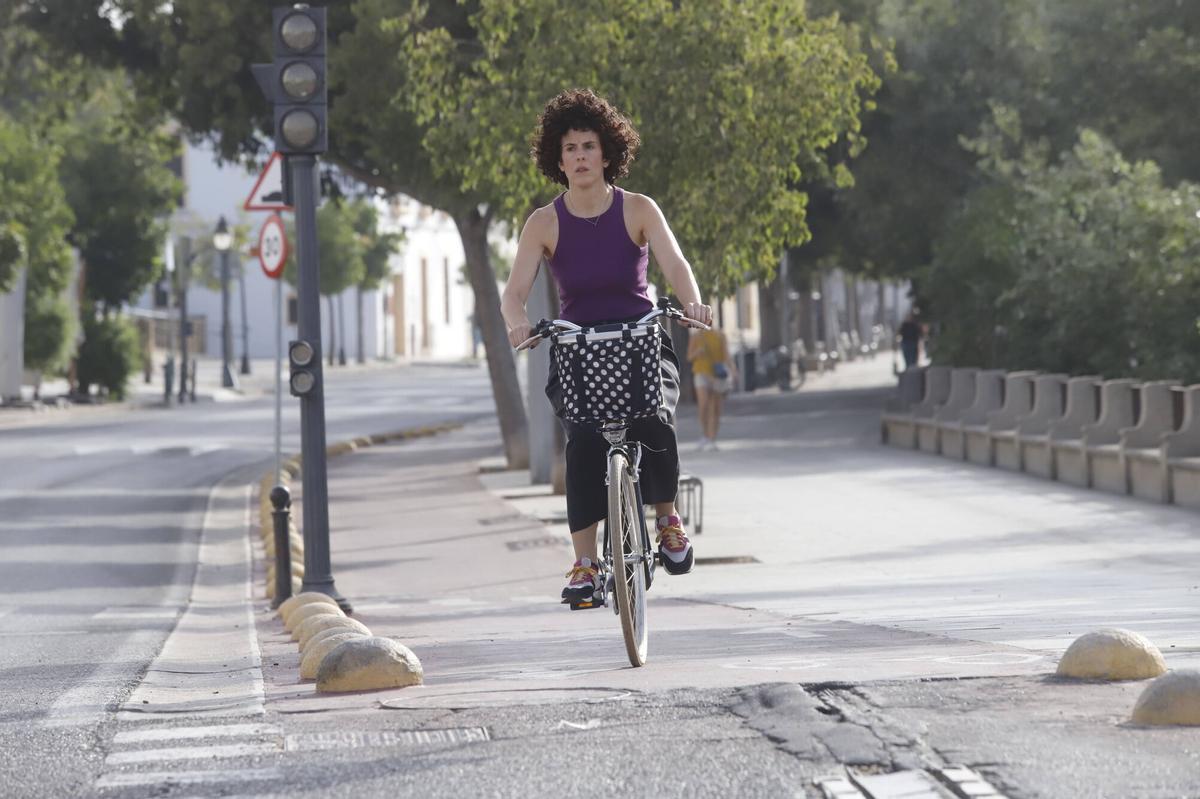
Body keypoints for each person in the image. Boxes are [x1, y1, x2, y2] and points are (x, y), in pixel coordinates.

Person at [500, 88, 713, 607]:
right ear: (558, 157)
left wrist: (694, 303)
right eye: (569, 148)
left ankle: (666, 520)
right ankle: (585, 562)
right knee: (584, 443)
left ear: (607, 152)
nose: (579, 157)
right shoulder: (543, 222)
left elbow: (676, 264)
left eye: (588, 146)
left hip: (639, 337)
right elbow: (514, 292)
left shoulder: (638, 209)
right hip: (579, 347)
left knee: (655, 419)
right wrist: (516, 323)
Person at [687, 326, 734, 450]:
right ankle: (705, 435)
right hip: (701, 373)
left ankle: (712, 438)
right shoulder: (696, 336)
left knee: (716, 408)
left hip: (716, 375)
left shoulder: (720, 335)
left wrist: (733, 370)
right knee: (704, 405)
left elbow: (726, 355)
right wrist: (697, 353)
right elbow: (689, 357)